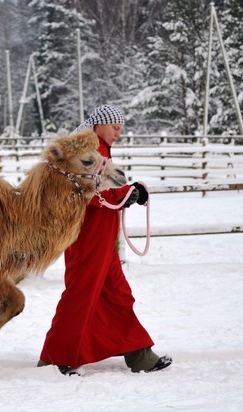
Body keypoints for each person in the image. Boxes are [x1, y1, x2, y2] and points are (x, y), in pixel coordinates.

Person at [38, 104, 172, 375]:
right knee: (80, 296)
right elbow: (85, 191)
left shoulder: (101, 150)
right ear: (100, 125)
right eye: (115, 128)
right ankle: (54, 358)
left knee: (118, 296)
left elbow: (102, 186)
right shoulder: (85, 152)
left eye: (120, 129)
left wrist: (129, 193)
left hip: (103, 239)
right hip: (87, 238)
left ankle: (140, 356)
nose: (118, 134)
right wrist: (124, 196)